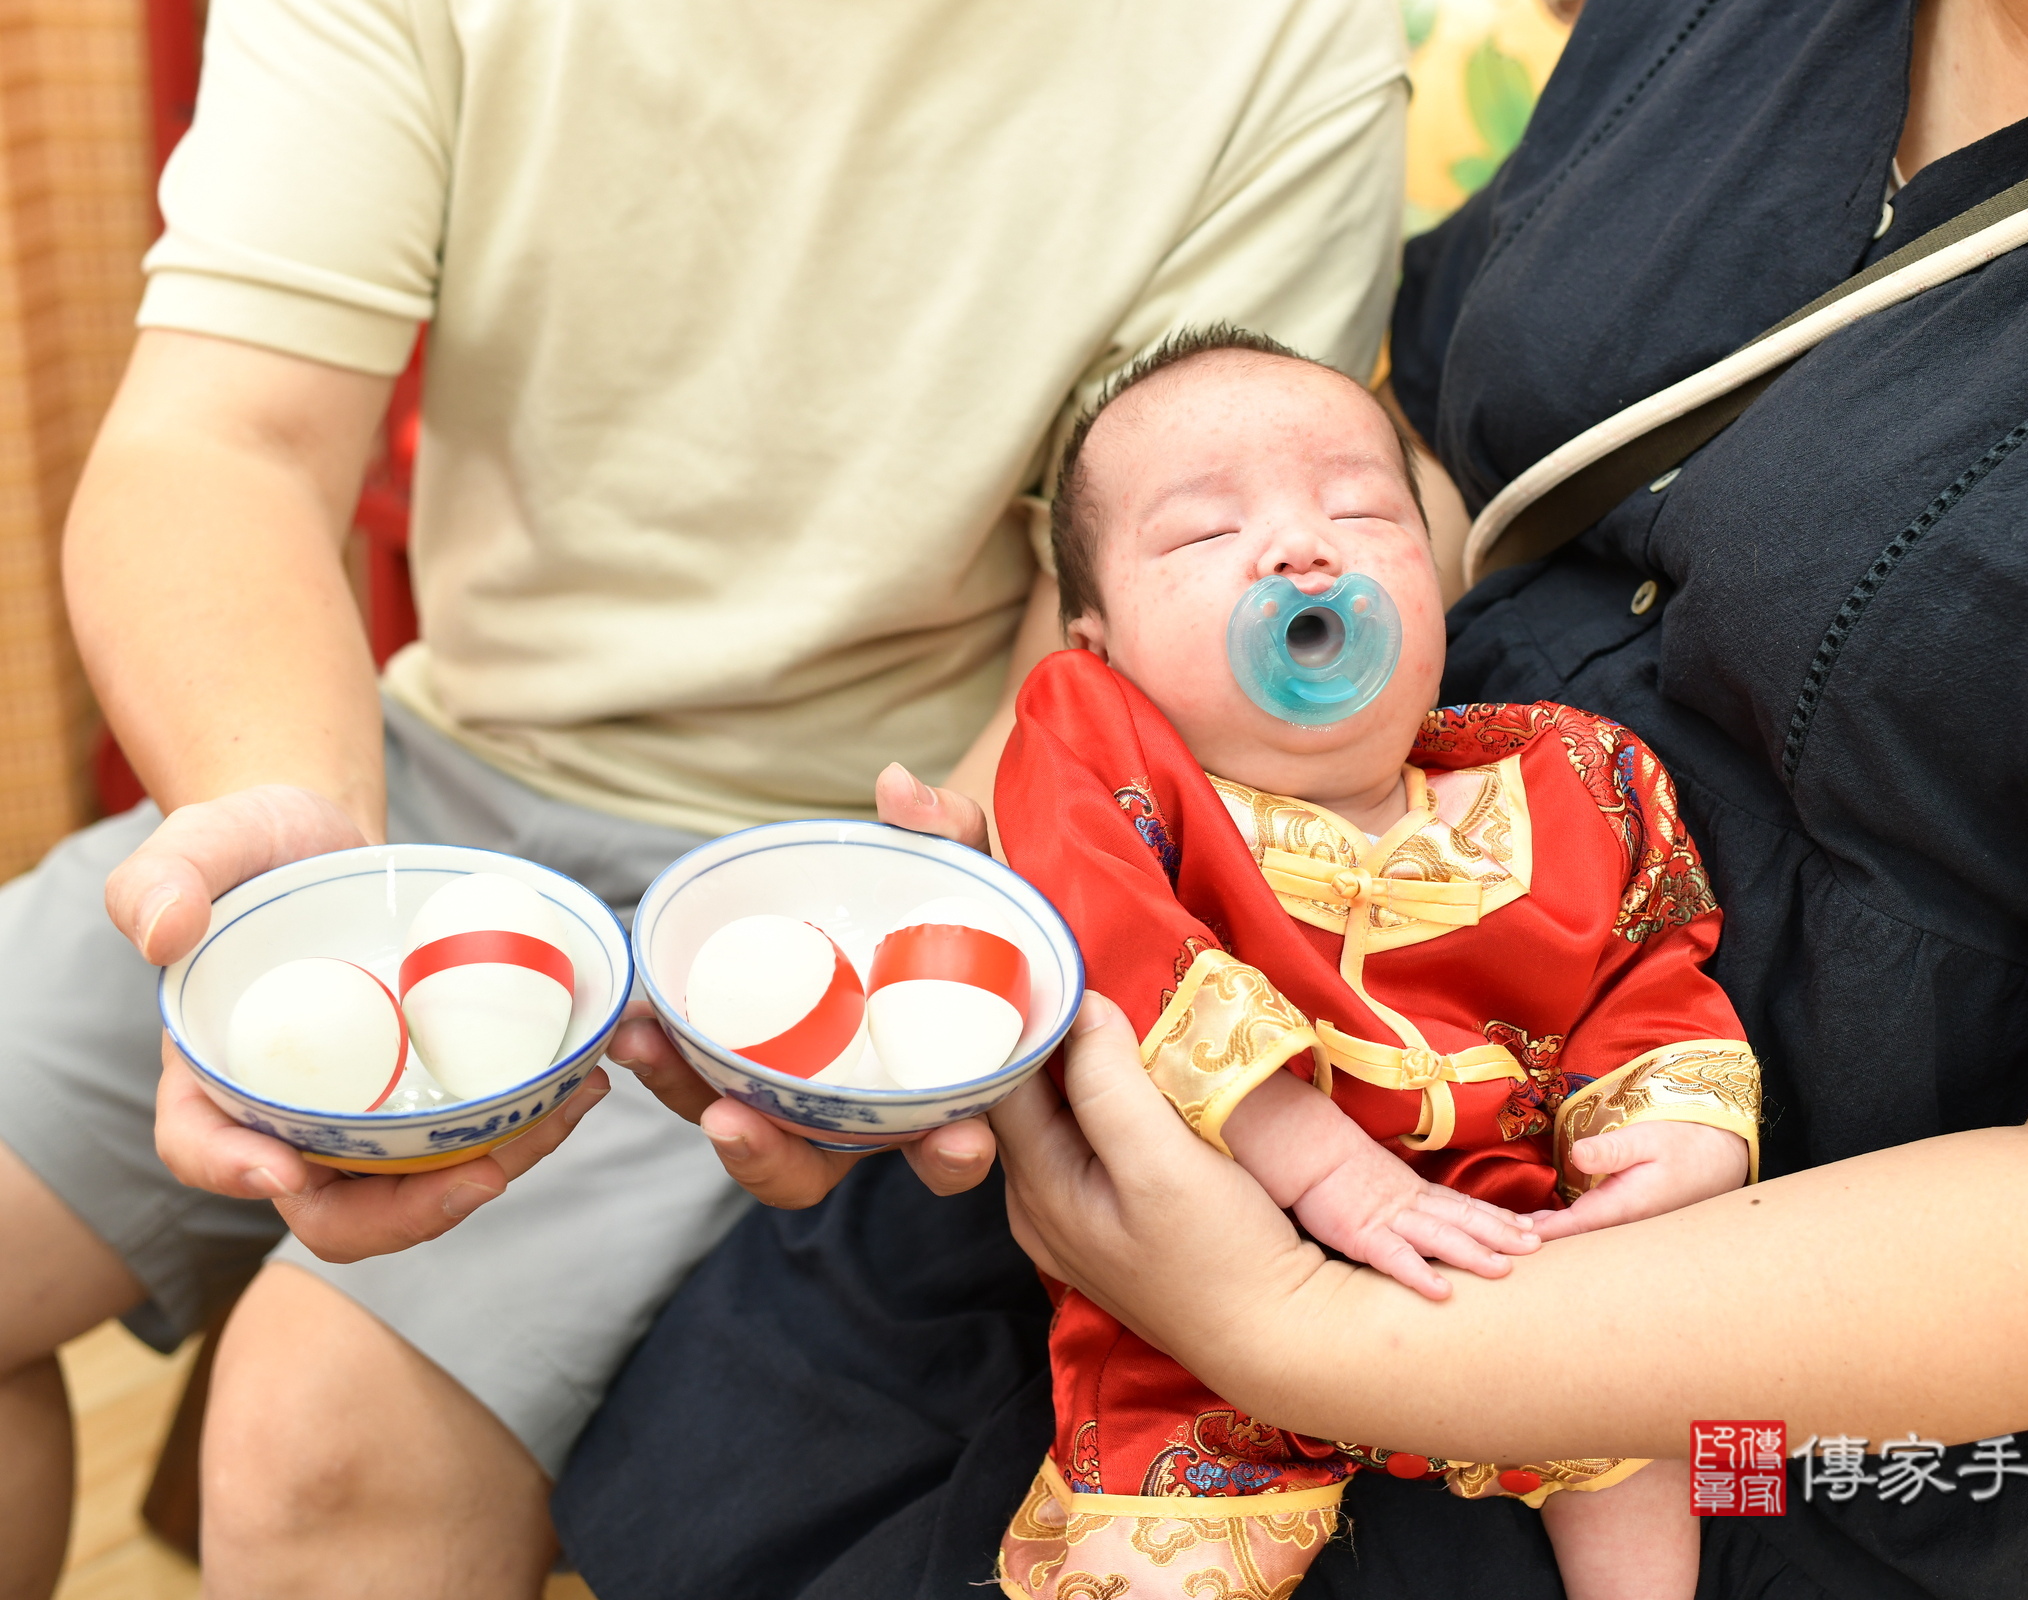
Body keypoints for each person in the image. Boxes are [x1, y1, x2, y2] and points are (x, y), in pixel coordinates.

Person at [564, 0, 2028, 1597]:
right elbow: (1432, 448)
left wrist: (1314, 1332)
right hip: (1246, 1050)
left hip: (1789, 1370)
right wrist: (996, 937)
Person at [0, 3, 1407, 1595]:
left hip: (841, 867)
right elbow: (221, 443)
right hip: (392, 779)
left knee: (321, 1448)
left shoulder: (1281, 45)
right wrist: (311, 875)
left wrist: (901, 960)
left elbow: (1111, 646)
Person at [988, 329, 1760, 1600]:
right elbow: (1103, 933)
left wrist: (1681, 1142)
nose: (1303, 548)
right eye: (1199, 534)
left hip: (1516, 1257)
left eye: (1360, 506)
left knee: (1678, 1418)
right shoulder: (1102, 762)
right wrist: (1313, 1152)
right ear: (1099, 642)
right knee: (1143, 1547)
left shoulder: (1575, 776)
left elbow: (1654, 969)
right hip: (1200, 1281)